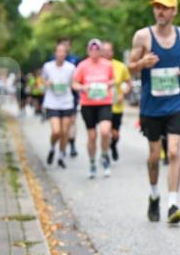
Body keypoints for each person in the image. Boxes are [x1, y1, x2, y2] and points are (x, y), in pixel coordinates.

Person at [128, 0, 180, 224]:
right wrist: (141, 64)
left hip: (175, 101)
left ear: (174, 11)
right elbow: (130, 68)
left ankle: (172, 203)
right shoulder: (143, 37)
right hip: (151, 105)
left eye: (165, 8)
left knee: (173, 151)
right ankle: (154, 195)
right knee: (154, 156)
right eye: (157, 7)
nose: (160, 12)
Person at [72, 39, 115, 179]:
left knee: (104, 131)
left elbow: (113, 80)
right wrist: (84, 87)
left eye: (97, 49)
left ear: (100, 51)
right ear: (88, 50)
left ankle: (104, 156)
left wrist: (108, 84)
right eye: (92, 49)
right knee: (92, 136)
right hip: (88, 104)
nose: (94, 52)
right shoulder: (82, 66)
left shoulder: (107, 65)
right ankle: (92, 163)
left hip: (104, 102)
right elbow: (74, 84)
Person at [41, 42, 77, 168]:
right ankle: (52, 148)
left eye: (63, 52)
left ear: (66, 54)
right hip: (52, 102)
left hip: (67, 103)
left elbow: (74, 84)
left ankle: (61, 155)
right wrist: (47, 83)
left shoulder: (71, 68)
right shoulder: (48, 66)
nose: (61, 54)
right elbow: (43, 80)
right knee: (56, 131)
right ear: (55, 53)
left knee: (64, 132)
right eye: (58, 52)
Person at [101, 42, 131, 162]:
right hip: (102, 104)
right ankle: (105, 153)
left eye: (109, 50)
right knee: (105, 131)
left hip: (116, 105)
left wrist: (123, 94)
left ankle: (113, 145)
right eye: (104, 50)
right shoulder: (97, 66)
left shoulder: (120, 66)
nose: (106, 53)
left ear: (112, 52)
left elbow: (129, 83)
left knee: (115, 133)